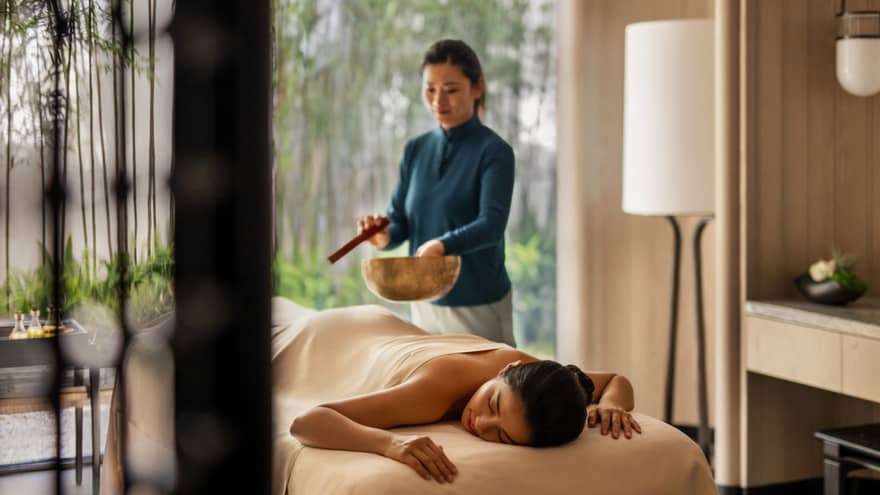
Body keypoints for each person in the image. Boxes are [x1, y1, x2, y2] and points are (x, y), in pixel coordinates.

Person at [284, 300, 641, 485]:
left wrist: (612, 405)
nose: (481, 423)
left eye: (501, 435)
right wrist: (390, 444)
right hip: (330, 339)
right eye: (492, 403)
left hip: (386, 329)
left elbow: (614, 381)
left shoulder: (545, 383)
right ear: (507, 369)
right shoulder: (430, 393)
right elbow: (307, 422)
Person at [357, 39, 516, 346]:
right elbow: (401, 220)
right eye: (430, 89)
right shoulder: (415, 150)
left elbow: (491, 225)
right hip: (424, 302)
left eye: (451, 89)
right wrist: (384, 236)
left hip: (479, 303)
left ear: (477, 88)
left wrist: (443, 245)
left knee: (488, 379)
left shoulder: (494, 151)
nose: (438, 100)